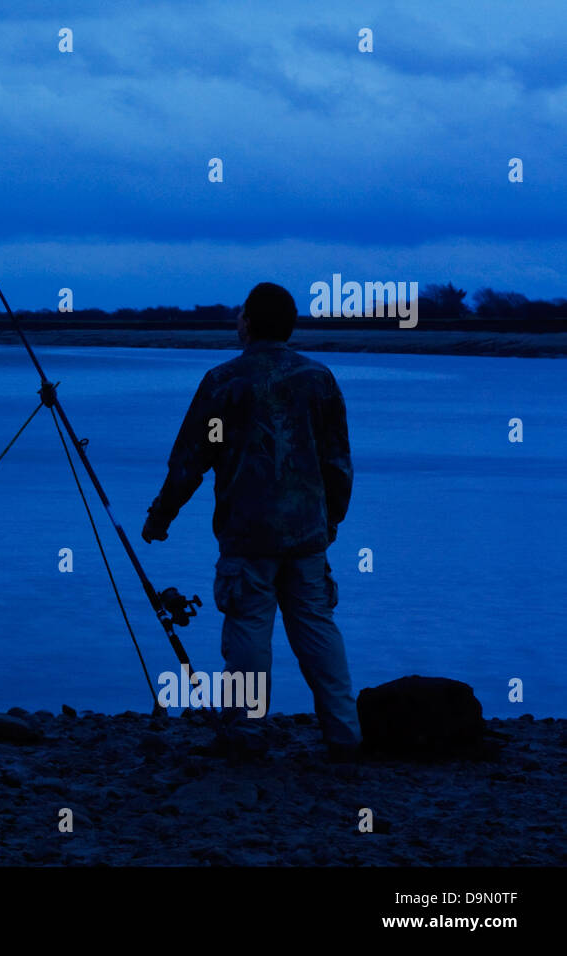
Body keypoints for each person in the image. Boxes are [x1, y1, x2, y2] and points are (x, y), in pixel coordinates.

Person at [140, 282, 361, 759]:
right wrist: (330, 524)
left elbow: (189, 463)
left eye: (240, 314)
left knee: (248, 631)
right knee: (317, 629)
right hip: (307, 534)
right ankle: (345, 734)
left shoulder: (223, 382)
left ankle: (247, 733)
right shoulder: (318, 379)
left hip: (247, 534)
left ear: (247, 323)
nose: (236, 320)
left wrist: (160, 518)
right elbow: (338, 464)